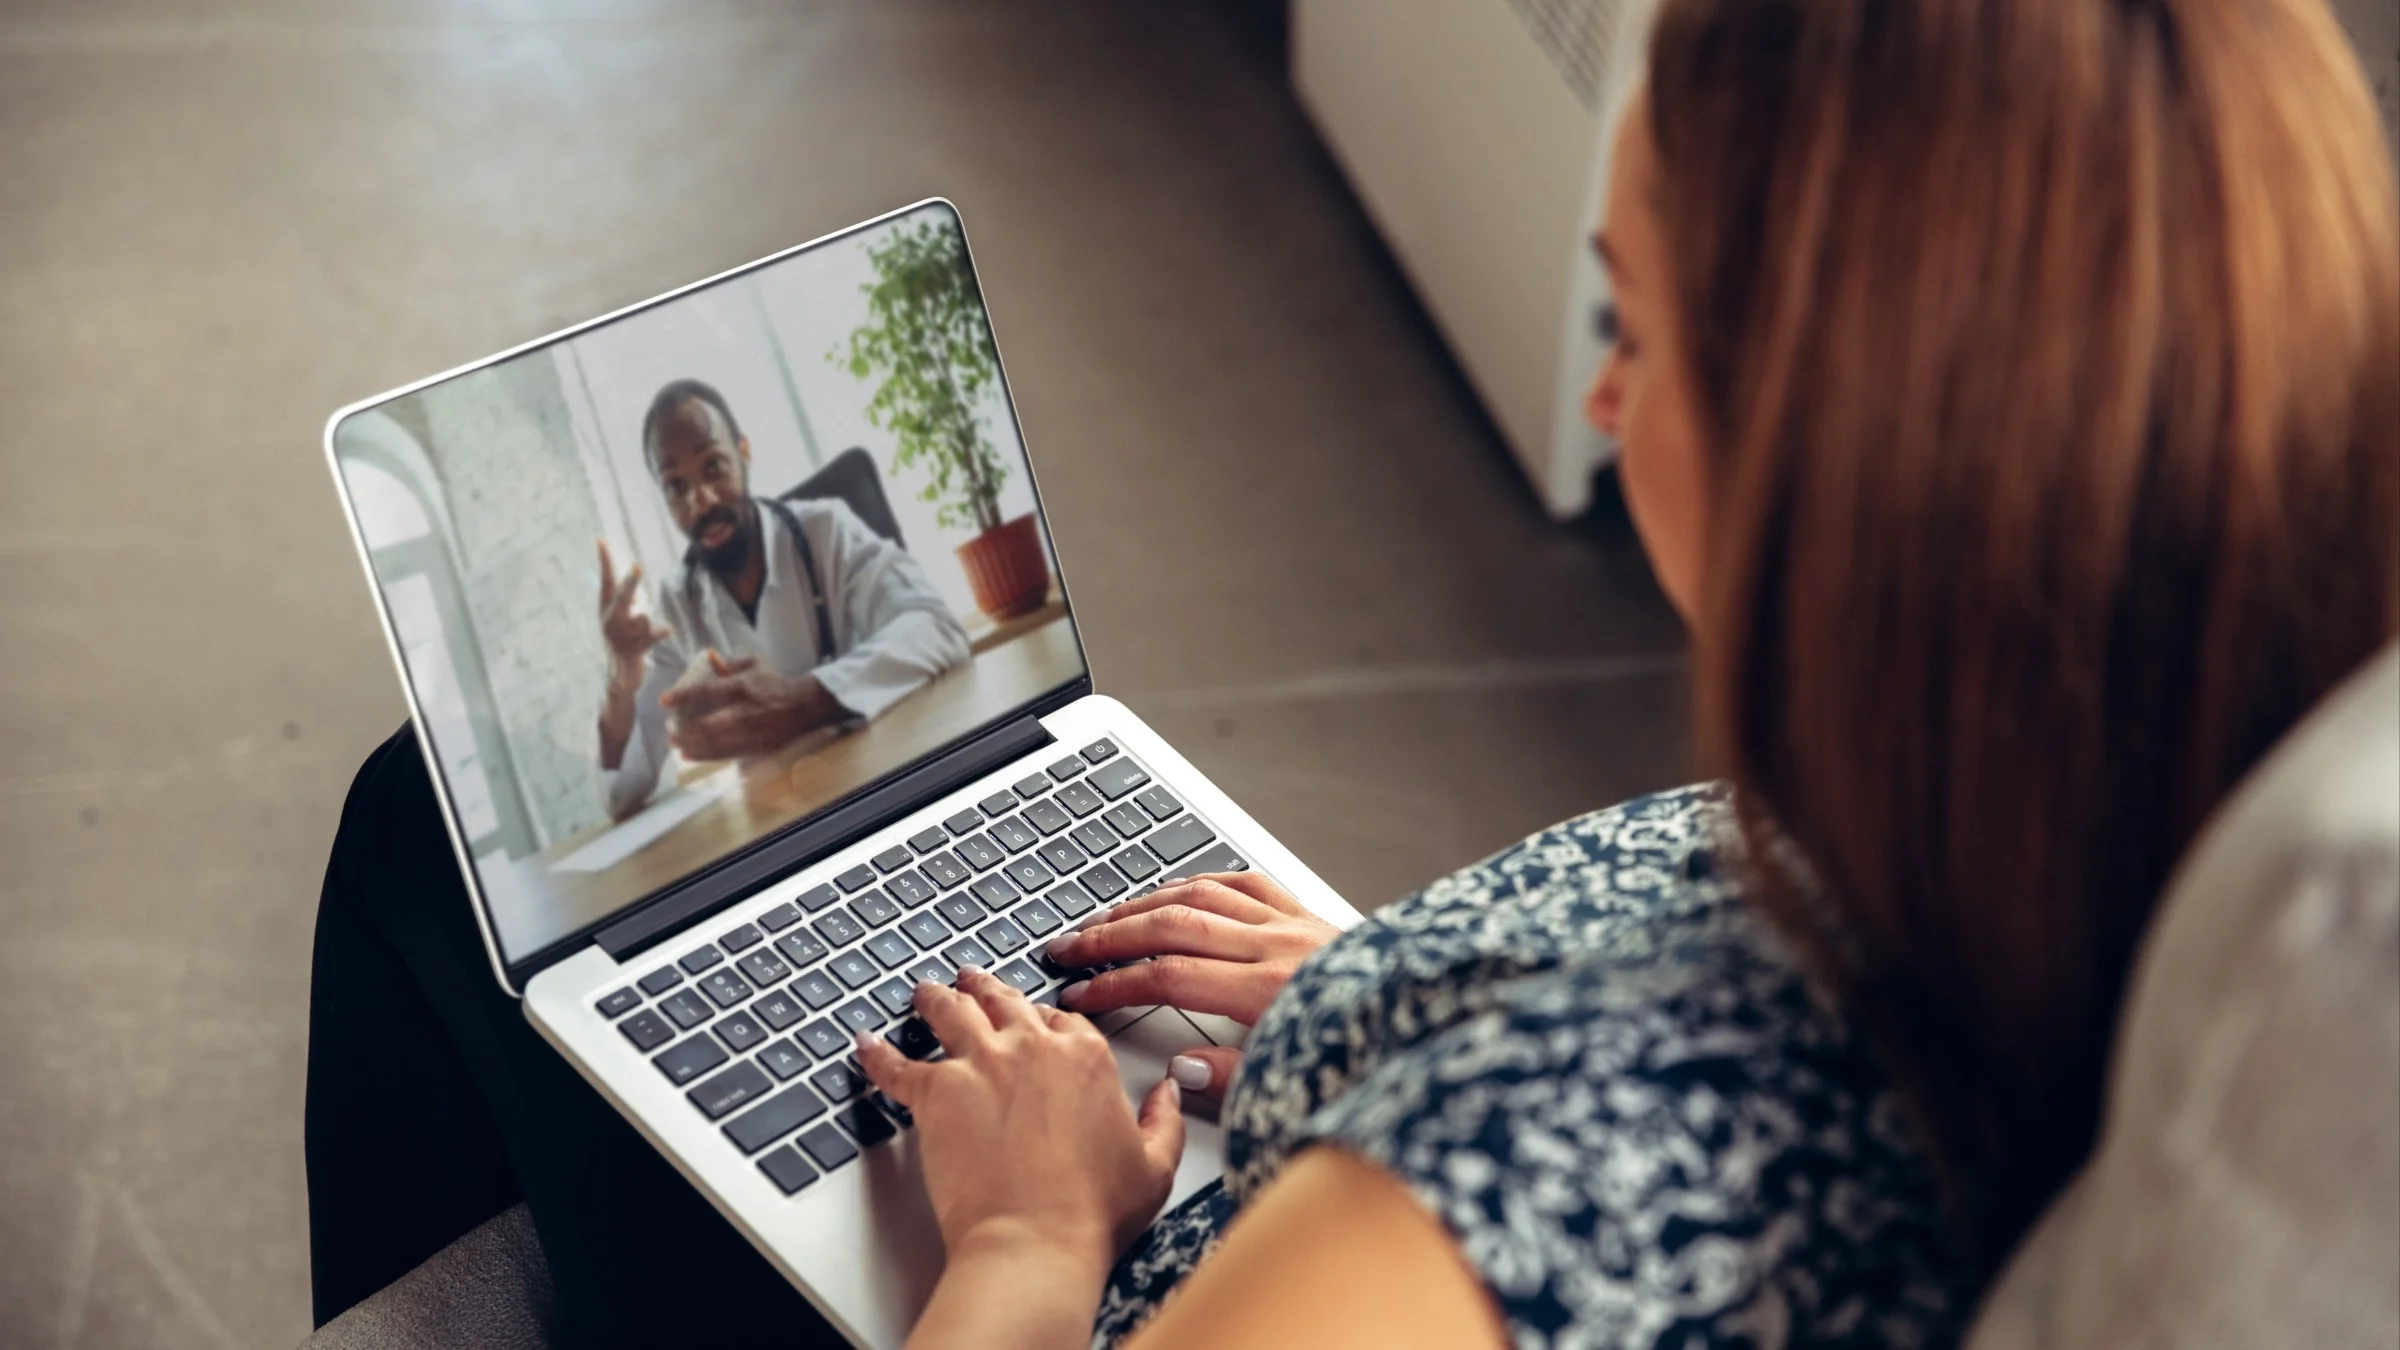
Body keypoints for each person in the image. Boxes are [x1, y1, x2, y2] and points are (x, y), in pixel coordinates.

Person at [304, 0, 2397, 1345]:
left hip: (1067, 1268)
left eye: (1634, 325)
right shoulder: (2111, 829)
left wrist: (1025, 1242)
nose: (1604, 396)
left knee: (426, 839)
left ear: (1842, 451)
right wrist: (1404, 984)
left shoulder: (1466, 1224)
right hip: (1274, 1077)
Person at [595, 378, 969, 820]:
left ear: (744, 453)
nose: (701, 501)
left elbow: (937, 626)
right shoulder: (679, 602)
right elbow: (621, 794)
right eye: (677, 486)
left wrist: (802, 700)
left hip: (885, 788)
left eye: (714, 466)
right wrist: (620, 680)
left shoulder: (825, 532)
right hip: (785, 822)